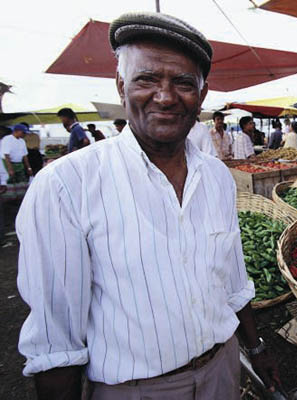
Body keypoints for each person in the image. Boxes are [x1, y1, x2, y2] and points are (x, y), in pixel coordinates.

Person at [17, 11, 279, 400]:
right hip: (135, 390)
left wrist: (255, 350)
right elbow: (57, 341)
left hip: (223, 371)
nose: (165, 96)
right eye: (146, 79)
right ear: (121, 86)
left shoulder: (218, 178)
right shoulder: (65, 186)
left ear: (202, 96)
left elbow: (234, 283)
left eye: (183, 83)